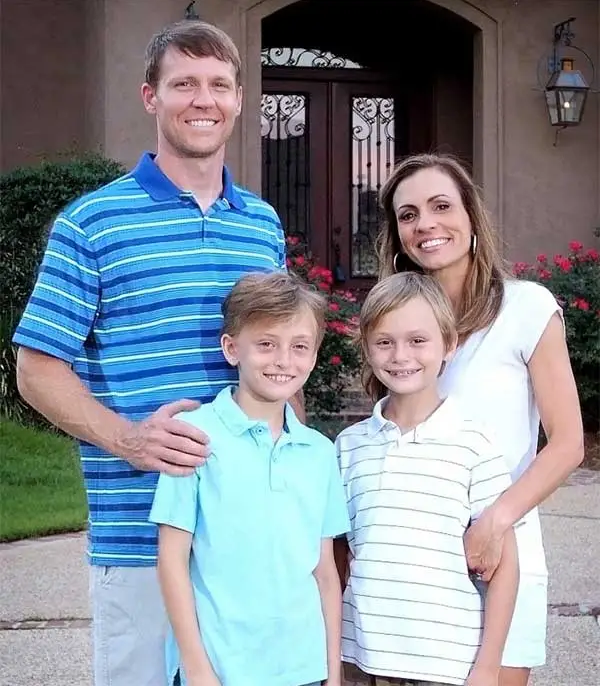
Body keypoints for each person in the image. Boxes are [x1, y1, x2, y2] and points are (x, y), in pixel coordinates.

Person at [12, 20, 290, 686]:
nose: (204, 99)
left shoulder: (262, 223)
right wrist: (131, 441)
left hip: (246, 541)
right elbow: (36, 366)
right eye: (184, 83)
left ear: (239, 100)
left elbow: (279, 366)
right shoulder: (92, 222)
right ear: (150, 97)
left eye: (220, 84)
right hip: (139, 538)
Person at [374, 154, 584, 686]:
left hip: (502, 555)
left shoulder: (526, 308)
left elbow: (567, 444)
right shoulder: (399, 327)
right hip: (415, 568)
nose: (426, 224)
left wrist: (495, 521)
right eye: (408, 214)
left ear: (471, 216)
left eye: (441, 206)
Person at [149, 271, 350, 686]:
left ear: (313, 356)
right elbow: (171, 560)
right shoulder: (193, 435)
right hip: (221, 669)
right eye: (265, 344)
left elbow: (325, 574)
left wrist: (332, 674)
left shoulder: (319, 452)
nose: (283, 360)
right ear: (231, 348)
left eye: (299, 347)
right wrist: (197, 668)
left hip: (303, 669)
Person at [337, 272, 519, 686]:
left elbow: (506, 567)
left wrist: (488, 668)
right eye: (385, 342)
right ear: (367, 348)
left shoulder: (475, 443)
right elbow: (338, 558)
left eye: (418, 340)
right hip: (361, 661)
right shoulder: (348, 446)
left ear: (448, 345)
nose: (401, 355)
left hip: (445, 665)